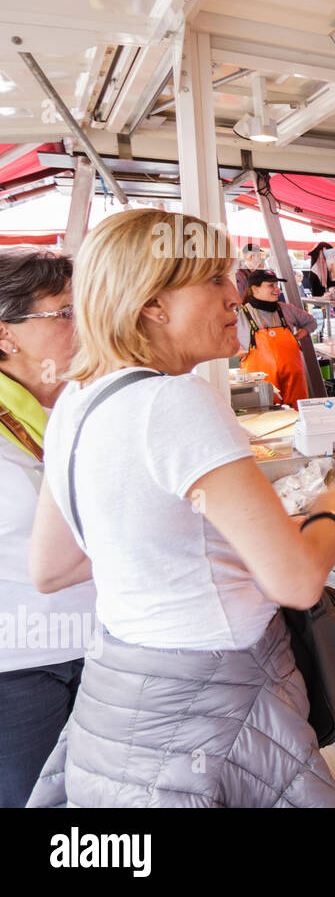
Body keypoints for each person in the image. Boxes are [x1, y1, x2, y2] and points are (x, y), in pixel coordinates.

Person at [26, 209, 335, 808]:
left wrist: (227, 538)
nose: (233, 297)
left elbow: (54, 567)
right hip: (213, 706)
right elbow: (296, 582)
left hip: (122, 703)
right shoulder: (175, 402)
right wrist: (333, 502)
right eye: (214, 280)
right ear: (152, 305)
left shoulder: (78, 400)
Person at [0, 248, 97, 808]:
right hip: (14, 669)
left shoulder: (73, 405)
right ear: (6, 334)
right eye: (64, 313)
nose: (81, 326)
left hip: (96, 645)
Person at [238, 270, 319, 407]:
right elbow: (222, 341)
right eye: (271, 286)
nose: (277, 290)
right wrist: (237, 351)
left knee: (296, 417)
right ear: (255, 289)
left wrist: (297, 337)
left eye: (277, 286)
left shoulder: (287, 309)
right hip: (262, 382)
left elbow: (311, 322)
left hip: (293, 379)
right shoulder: (242, 315)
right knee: (266, 418)